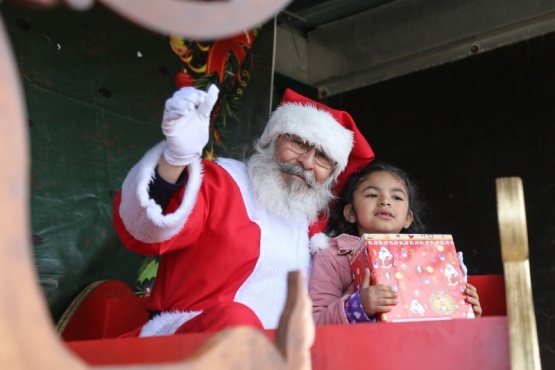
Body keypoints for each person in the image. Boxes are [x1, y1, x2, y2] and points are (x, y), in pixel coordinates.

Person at [112, 84, 375, 337]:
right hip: (190, 344)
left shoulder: (315, 233)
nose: (306, 163)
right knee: (236, 323)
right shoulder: (222, 181)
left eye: (323, 158)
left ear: (331, 176)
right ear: (272, 139)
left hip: (275, 358)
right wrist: (174, 160)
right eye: (298, 143)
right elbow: (144, 229)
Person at [308, 162, 482, 325]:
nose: (385, 201)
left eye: (397, 197)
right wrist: (357, 306)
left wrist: (466, 307)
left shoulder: (431, 260)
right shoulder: (333, 256)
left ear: (407, 219)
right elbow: (315, 321)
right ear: (350, 212)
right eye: (372, 195)